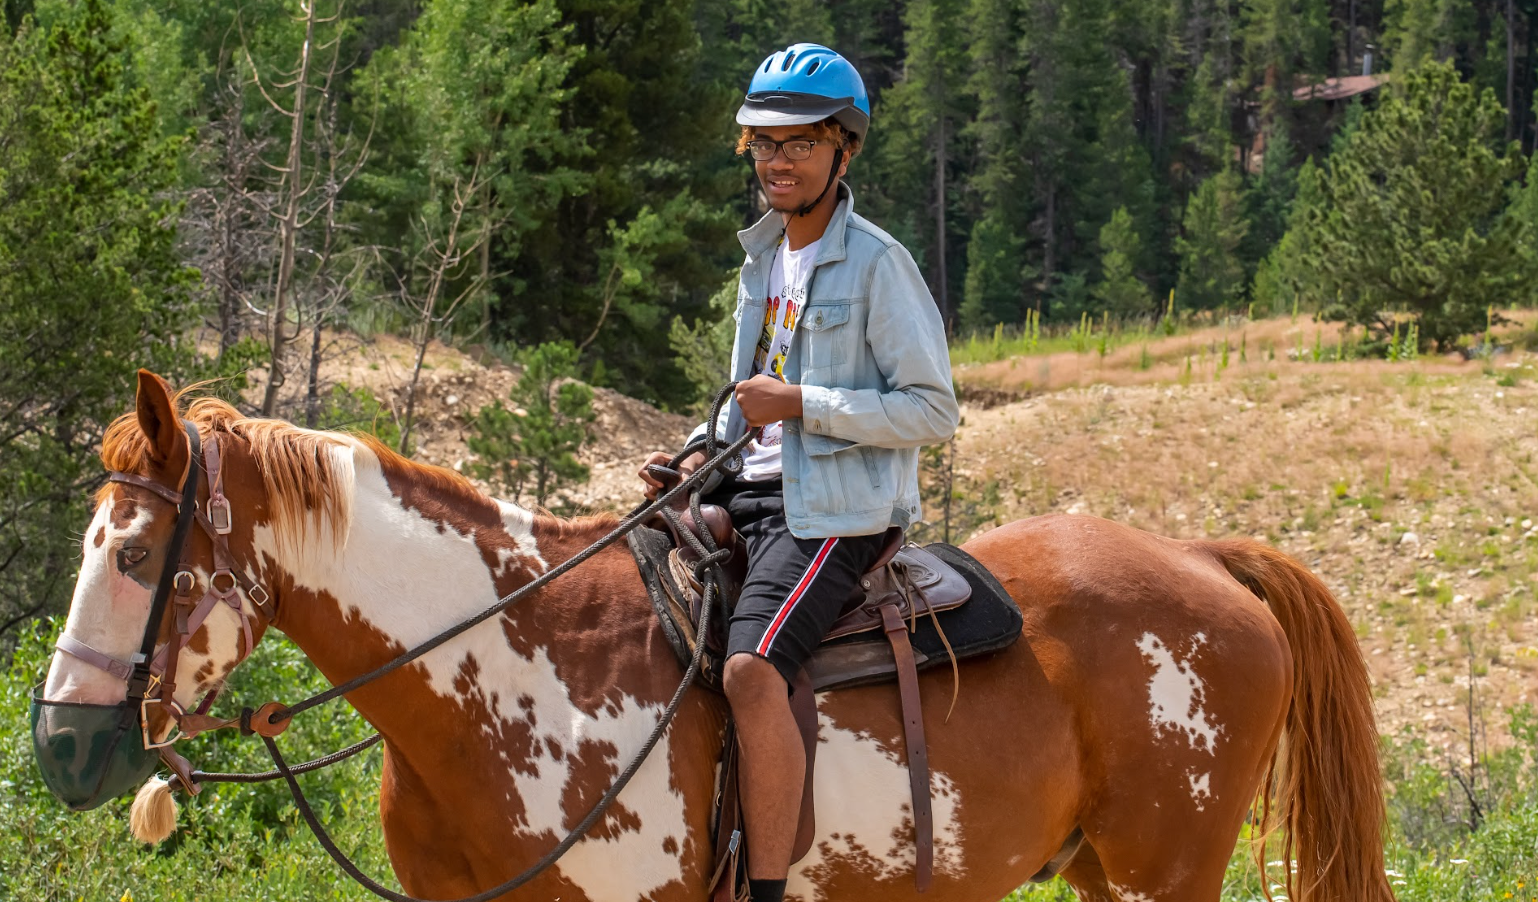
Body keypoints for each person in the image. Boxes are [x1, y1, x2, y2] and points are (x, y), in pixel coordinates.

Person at [637, 43, 958, 902]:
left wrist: (805, 405)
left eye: (801, 143)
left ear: (843, 150)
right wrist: (698, 451)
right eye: (765, 144)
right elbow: (748, 399)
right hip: (745, 485)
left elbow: (934, 409)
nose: (778, 161)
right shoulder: (762, 260)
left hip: (831, 514)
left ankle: (767, 890)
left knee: (751, 670)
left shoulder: (879, 264)